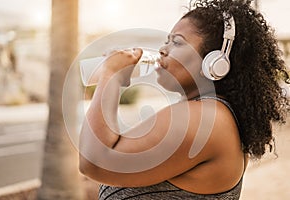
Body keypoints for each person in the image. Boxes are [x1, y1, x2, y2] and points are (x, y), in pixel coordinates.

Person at [79, 0, 290, 199]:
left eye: (177, 42)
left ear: (215, 62)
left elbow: (94, 162)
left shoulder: (206, 119)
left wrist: (110, 75)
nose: (163, 49)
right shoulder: (211, 115)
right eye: (166, 41)